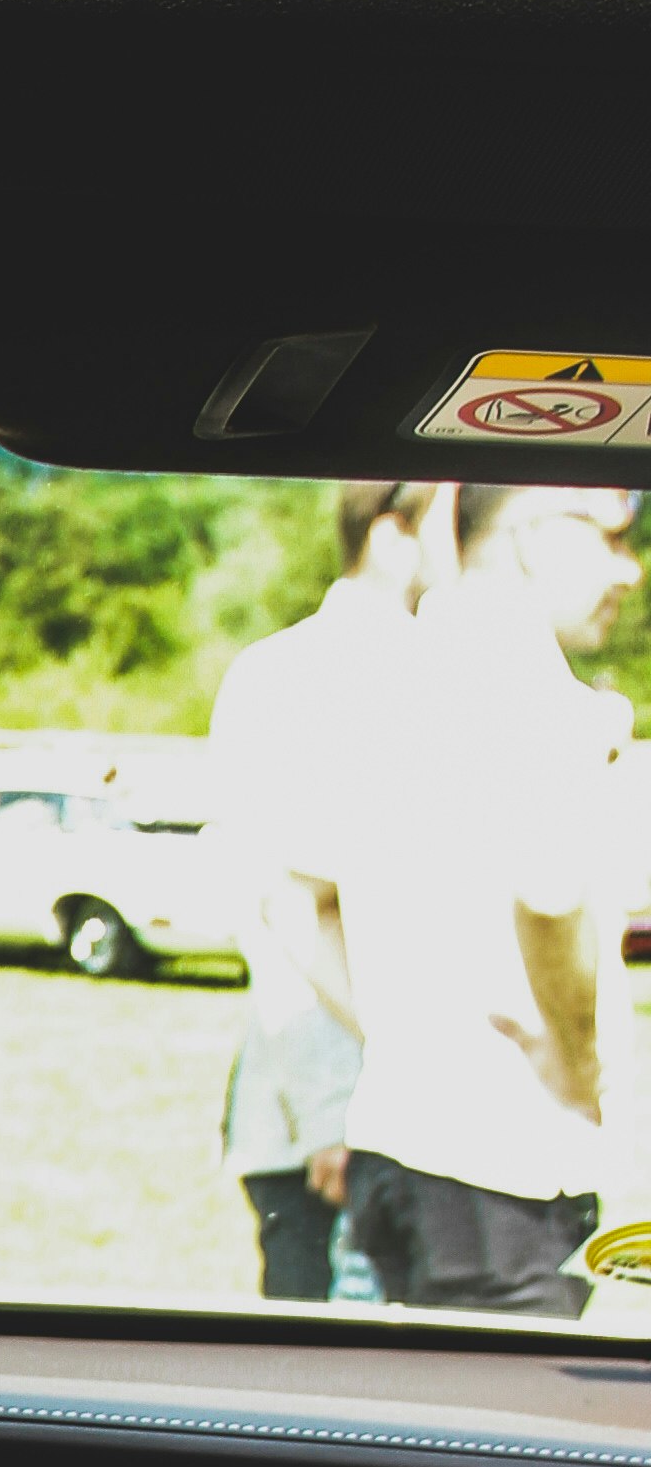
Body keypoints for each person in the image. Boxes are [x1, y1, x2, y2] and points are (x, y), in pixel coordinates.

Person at [320, 477, 643, 1319]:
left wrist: (397, 1033)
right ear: (536, 538)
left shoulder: (380, 683)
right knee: (519, 1439)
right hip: (507, 1169)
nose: (629, 571)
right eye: (612, 536)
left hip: (392, 1150)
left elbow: (301, 900)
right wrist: (580, 1066)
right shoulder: (540, 696)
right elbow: (548, 895)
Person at [203, 481, 437, 1299]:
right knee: (337, 1400)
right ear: (390, 531)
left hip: (414, 1133)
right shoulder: (293, 673)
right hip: (330, 1140)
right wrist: (335, 1108)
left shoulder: (433, 668)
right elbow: (274, 907)